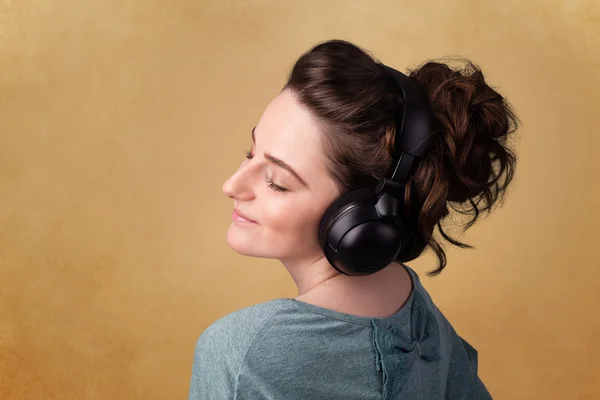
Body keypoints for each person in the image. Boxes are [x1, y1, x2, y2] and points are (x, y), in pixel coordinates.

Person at [188, 39, 518, 399]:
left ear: (361, 217)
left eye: (277, 183)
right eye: (249, 153)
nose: (231, 186)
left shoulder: (242, 351)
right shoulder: (417, 312)